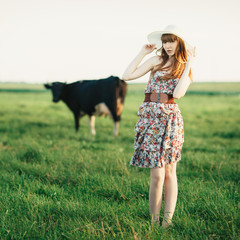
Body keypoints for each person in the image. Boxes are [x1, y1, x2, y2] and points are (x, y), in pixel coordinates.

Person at [122, 25, 196, 228]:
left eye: (171, 41)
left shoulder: (185, 69)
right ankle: (154, 222)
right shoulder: (156, 60)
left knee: (170, 171)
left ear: (179, 43)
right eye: (165, 41)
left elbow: (178, 94)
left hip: (170, 119)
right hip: (149, 118)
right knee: (156, 174)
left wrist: (189, 63)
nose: (168, 45)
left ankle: (167, 221)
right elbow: (127, 75)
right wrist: (142, 52)